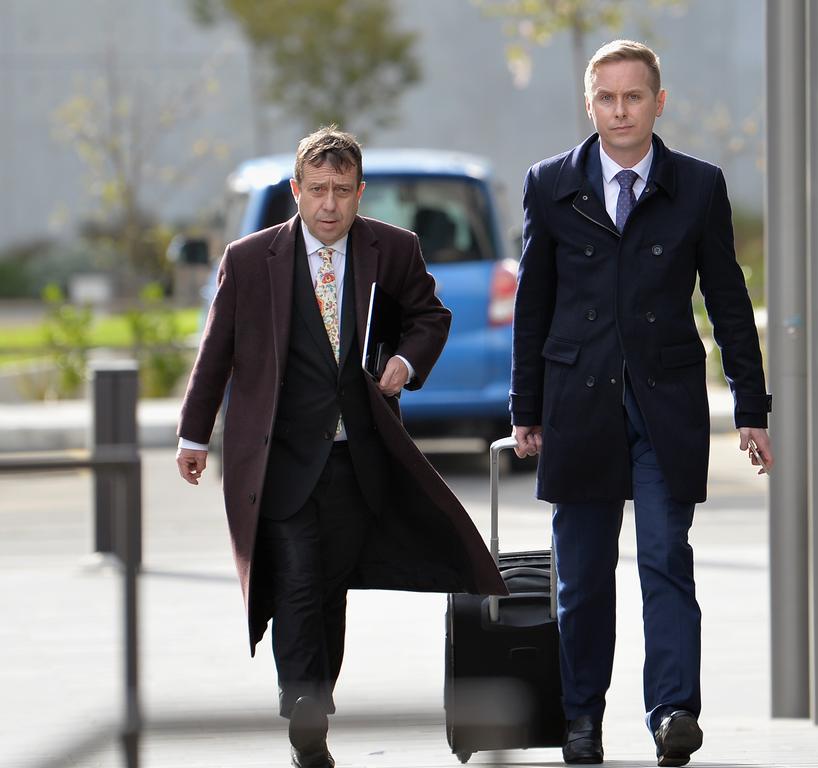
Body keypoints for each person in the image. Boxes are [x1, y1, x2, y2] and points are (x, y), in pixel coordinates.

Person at [175, 126, 505, 768]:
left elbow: (431, 317)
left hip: (359, 454)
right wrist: (194, 433)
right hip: (279, 456)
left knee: (330, 586)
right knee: (295, 578)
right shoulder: (249, 260)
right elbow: (215, 353)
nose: (330, 205)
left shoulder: (394, 248)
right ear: (297, 191)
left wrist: (406, 363)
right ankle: (304, 710)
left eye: (343, 192)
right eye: (318, 191)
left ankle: (314, 698)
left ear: (360, 193)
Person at [510, 40, 773, 767]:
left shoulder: (698, 186)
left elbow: (727, 301)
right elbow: (532, 305)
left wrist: (751, 407)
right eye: (607, 98)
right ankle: (580, 718)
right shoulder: (549, 185)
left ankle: (673, 713)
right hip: (576, 403)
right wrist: (524, 408)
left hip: (666, 406)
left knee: (665, 558)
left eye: (634, 97)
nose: (620, 111)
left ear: (659, 103)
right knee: (583, 573)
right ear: (588, 104)